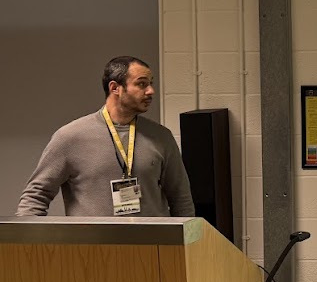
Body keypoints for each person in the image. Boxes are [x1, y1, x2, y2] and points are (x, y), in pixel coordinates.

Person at [16, 56, 195, 218]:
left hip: (153, 243)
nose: (150, 91)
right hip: (93, 244)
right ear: (115, 88)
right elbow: (35, 196)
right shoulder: (70, 137)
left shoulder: (161, 136)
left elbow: (181, 199)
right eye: (141, 84)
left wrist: (190, 240)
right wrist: (27, 239)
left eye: (150, 83)